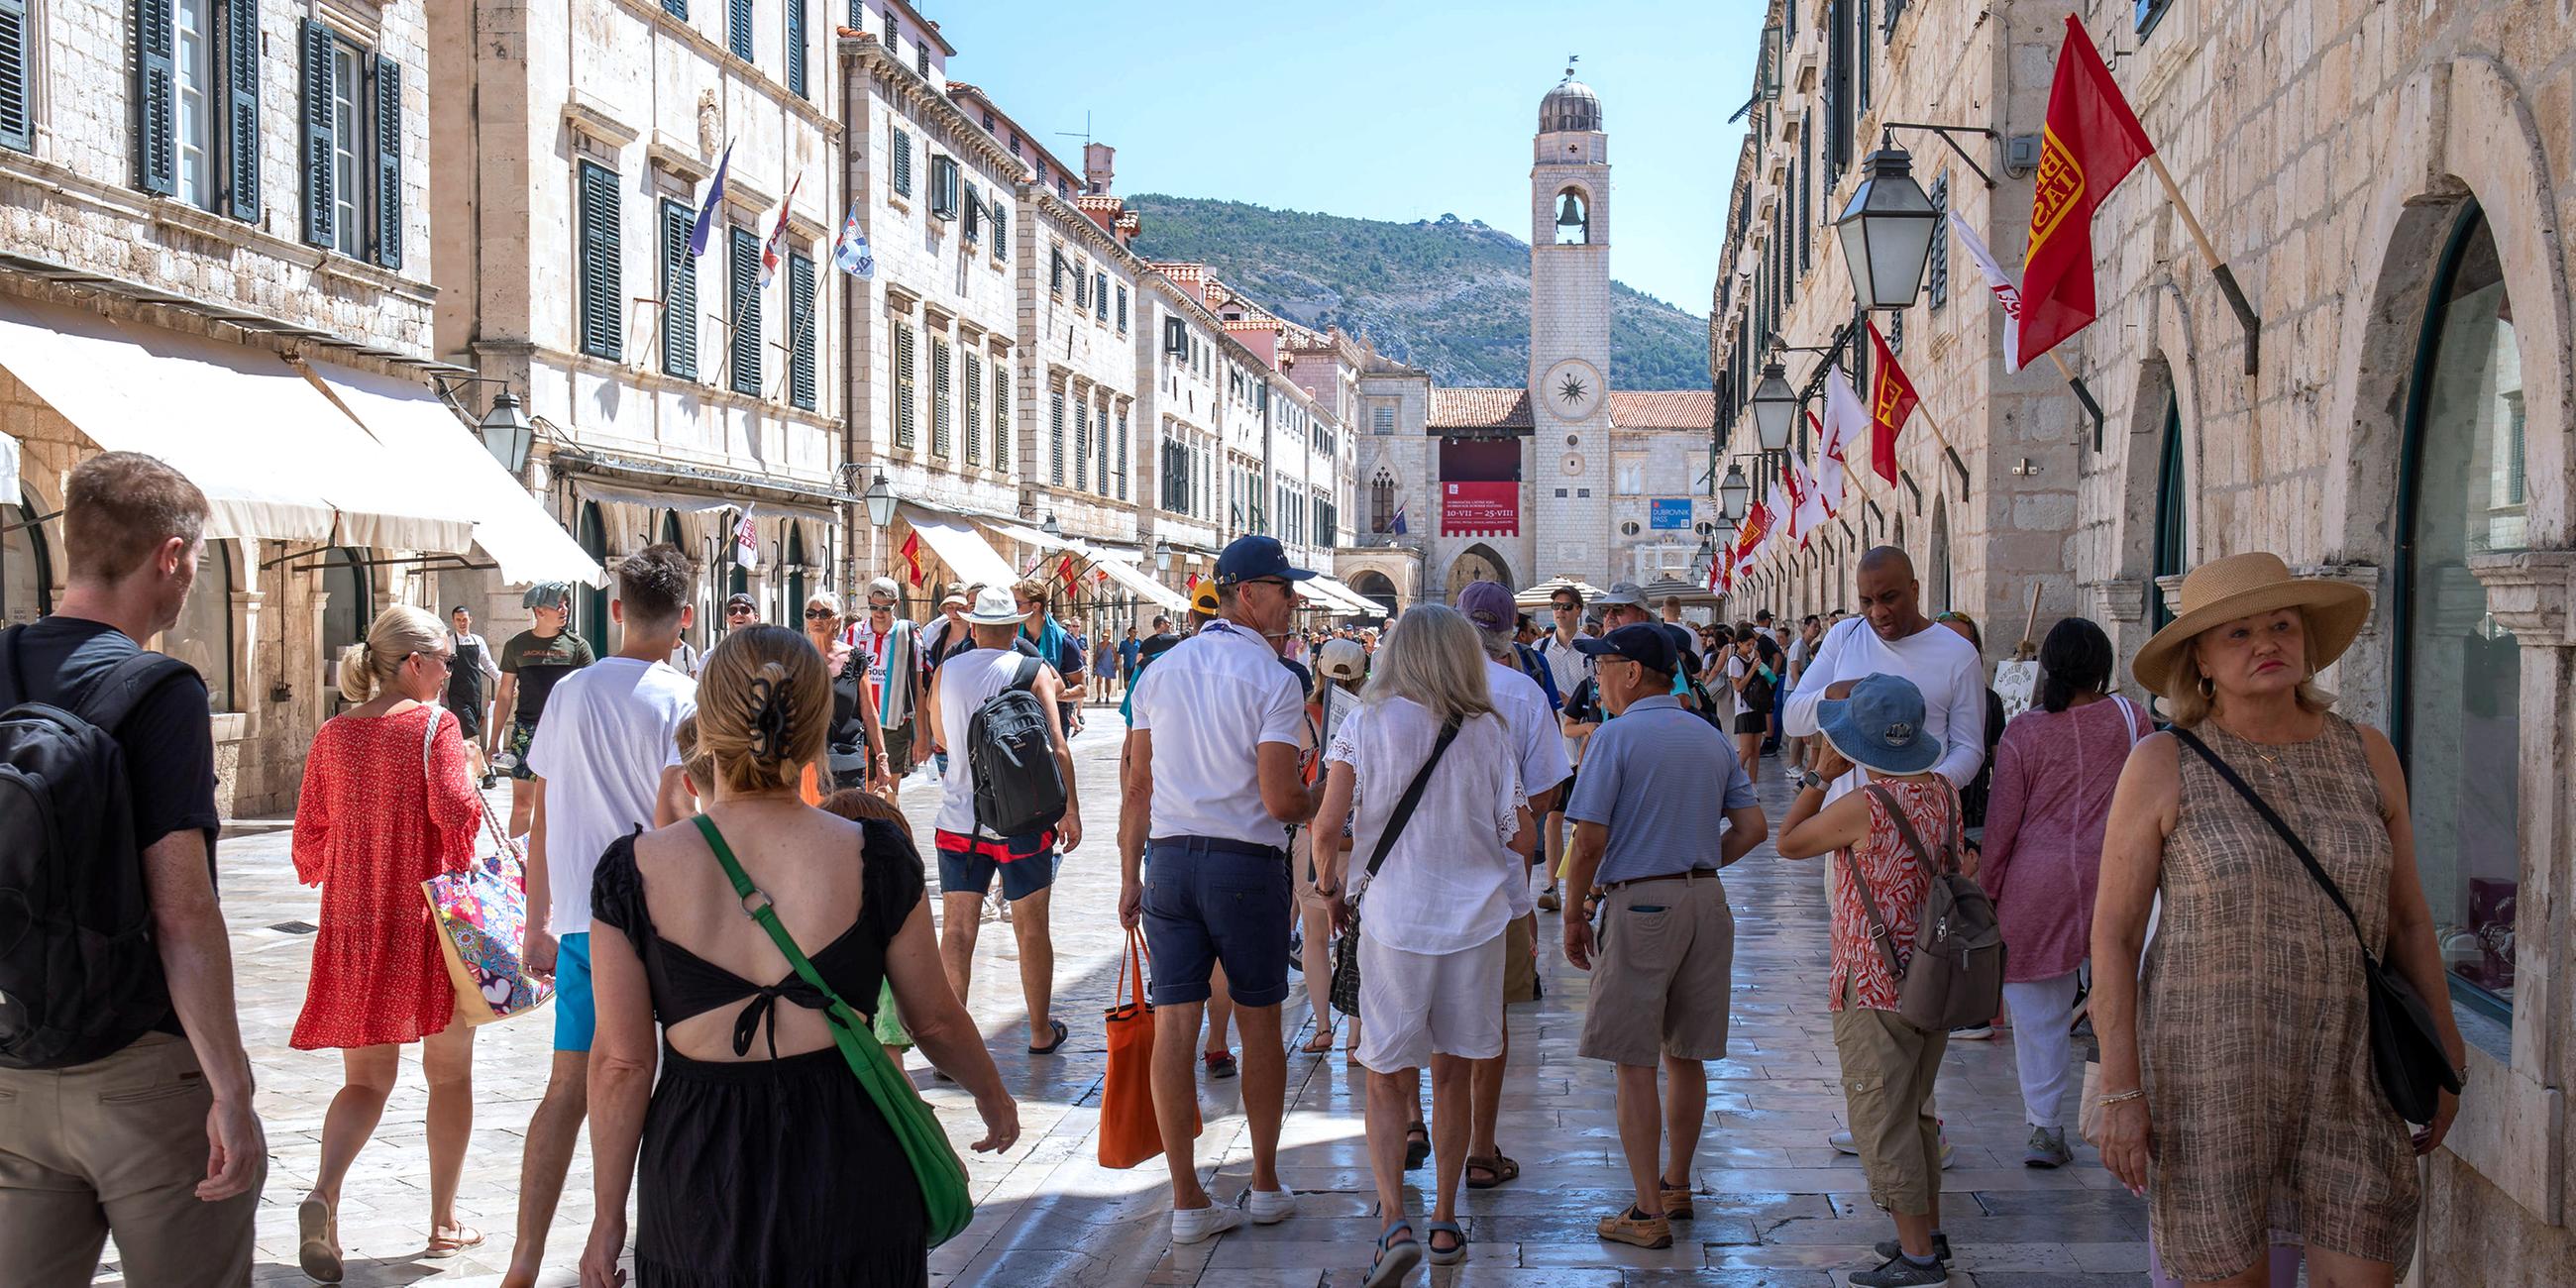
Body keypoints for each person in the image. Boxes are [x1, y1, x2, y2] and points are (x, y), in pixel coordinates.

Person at [579, 626, 1019, 1287]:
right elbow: (933, 1019)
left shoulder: (632, 871)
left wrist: (607, 1219)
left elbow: (622, 1062)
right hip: (850, 1154)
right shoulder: (876, 854)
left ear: (711, 725)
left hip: (699, 1169)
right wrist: (992, 1095)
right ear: (818, 725)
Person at [2093, 552, 2463, 1286]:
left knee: (2363, 1270)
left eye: (2281, 625)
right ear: (2198, 657)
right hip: (2211, 1079)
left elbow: (2411, 921)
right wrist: (2122, 1092)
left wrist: (2447, 1053)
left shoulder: (2366, 754)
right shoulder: (2163, 763)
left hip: (2352, 1071)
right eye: (2236, 633)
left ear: (2306, 640)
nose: (2266, 643)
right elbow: (2115, 934)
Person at [0, 453, 265, 1287]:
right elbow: (183, 909)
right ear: (173, 557)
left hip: (12, 1060)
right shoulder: (159, 690)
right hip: (140, 1069)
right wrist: (232, 1088)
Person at [1312, 605, 1534, 1282]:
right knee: (1455, 1073)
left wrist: (1329, 892)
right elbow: (1521, 834)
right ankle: (1443, 1221)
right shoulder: (1487, 731)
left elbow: (1326, 827)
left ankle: (1392, 1221)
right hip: (1474, 926)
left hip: (1395, 923)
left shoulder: (1364, 723)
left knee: (1386, 1075)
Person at [501, 545, 699, 1288]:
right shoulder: (683, 696)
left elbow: (545, 812)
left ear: (615, 610)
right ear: (685, 619)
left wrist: (537, 918)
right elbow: (678, 812)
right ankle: (629, 1232)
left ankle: (525, 1258)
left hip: (585, 921)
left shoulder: (572, 691)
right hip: (666, 922)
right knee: (669, 1084)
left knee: (567, 1089)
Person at [1118, 535, 1319, 1243]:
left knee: (1176, 1026)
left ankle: (1186, 1200)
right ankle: (1264, 1183)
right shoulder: (1276, 679)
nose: (1293, 603)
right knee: (1260, 1021)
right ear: (1250, 594)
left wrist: (1127, 874)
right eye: (1285, 589)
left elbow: (1137, 785)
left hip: (1169, 862)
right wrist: (1322, 797)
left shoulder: (1159, 673)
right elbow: (1279, 798)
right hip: (1243, 865)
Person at [290, 604, 488, 1276]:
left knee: (366, 1082)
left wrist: (336, 869)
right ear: (413, 664)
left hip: (353, 920)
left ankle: (324, 1194)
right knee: (450, 1075)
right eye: (444, 660)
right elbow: (456, 816)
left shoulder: (334, 734)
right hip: (429, 922)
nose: (450, 671)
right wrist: (466, 764)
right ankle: (442, 1220)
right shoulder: (438, 725)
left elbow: (309, 835)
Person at [1557, 623, 1767, 1249]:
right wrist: (1696, 863)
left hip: (1642, 905)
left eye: (1603, 666)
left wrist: (1573, 911)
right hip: (1706, 901)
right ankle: (1676, 1184)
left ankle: (1646, 1211)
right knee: (1687, 1055)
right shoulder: (1706, 737)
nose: (1595, 677)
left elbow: (1588, 840)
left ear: (1630, 673)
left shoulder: (1615, 739)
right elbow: (1753, 827)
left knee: (1634, 1060)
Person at [1772, 673, 1970, 1288]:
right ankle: (1926, 1233)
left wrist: (1819, 776)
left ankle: (1917, 1259)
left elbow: (1788, 843)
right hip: (1931, 978)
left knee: (1882, 1118)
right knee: (1915, 1112)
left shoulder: (1865, 805)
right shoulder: (1943, 792)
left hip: (1876, 980)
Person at [1979, 617, 2148, 1168]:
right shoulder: (2131, 719)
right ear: (2103, 666)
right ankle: (2123, 1114)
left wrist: (1988, 891)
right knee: (2128, 1002)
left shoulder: (2025, 732)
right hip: (2119, 876)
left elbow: (2002, 825)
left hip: (2037, 882)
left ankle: (2045, 1129)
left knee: (2038, 1016)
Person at [931, 588, 1084, 1054]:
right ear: (1016, 629)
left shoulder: (946, 671)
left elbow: (939, 738)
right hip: (1023, 821)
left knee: (957, 929)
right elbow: (1057, 746)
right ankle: (1040, 1030)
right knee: (1031, 927)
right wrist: (1071, 810)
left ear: (974, 628)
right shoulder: (1033, 669)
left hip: (959, 822)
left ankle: (954, 1045)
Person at [1453, 584, 1571, 1191]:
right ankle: (1478, 1148)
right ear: (1511, 635)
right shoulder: (1524, 695)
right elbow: (1550, 792)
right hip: (1500, 887)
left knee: (1427, 1014)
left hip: (1423, 888)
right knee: (1490, 1017)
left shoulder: (1417, 690)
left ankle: (1422, 1126)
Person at [1294, 638, 1366, 1055]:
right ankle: (1356, 1036)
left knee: (1316, 936)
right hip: (1361, 838)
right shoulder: (1370, 718)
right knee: (1358, 936)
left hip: (1312, 833)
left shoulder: (1301, 717)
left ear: (1319, 670)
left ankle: (1324, 1028)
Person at [492, 583, 596, 837]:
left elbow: (590, 695)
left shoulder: (578, 647)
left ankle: (552, 864)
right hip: (526, 730)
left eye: (566, 604)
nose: (565, 609)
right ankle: (517, 863)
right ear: (539, 610)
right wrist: (493, 741)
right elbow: (505, 694)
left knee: (557, 807)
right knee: (522, 806)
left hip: (566, 732)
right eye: (558, 604)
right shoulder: (516, 645)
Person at [1531, 586, 1593, 913]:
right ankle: (1553, 885)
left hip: (1586, 742)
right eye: (1556, 606)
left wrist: (1575, 704)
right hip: (1554, 740)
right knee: (1553, 816)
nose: (1560, 611)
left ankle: (1581, 886)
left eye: (1567, 606)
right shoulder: (1541, 649)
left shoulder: (1590, 651)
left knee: (1583, 820)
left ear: (1579, 610)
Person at [805, 591, 891, 796]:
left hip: (848, 757)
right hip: (807, 759)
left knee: (851, 821)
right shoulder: (796, 659)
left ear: (837, 620)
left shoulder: (855, 659)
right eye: (811, 613)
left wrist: (882, 757)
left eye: (824, 613)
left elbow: (869, 712)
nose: (817, 619)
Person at [843, 577, 928, 782]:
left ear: (896, 604)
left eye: (885, 608)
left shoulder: (909, 636)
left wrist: (923, 735)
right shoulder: (853, 634)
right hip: (860, 721)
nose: (879, 613)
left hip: (894, 723)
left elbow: (917, 686)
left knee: (889, 787)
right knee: (866, 786)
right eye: (874, 607)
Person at [1933, 610, 2006, 839]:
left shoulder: (1990, 701)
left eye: (1963, 645)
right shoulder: (1915, 698)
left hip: (1974, 823)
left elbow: (2001, 767)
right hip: (1928, 819)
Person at [1017, 581, 1087, 734]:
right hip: (1019, 717)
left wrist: (1047, 693)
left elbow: (1081, 689)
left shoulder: (1065, 641)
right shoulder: (1013, 637)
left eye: (1017, 604)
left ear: (1035, 606)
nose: (1013, 609)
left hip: (1054, 719)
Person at [447, 605, 503, 784]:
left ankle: (476, 769)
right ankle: (486, 772)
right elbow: (444, 666)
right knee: (472, 733)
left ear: (470, 620)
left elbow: (488, 665)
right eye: (458, 620)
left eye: (465, 619)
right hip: (457, 695)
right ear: (453, 621)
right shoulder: (450, 642)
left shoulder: (478, 641)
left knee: (471, 732)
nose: (462, 623)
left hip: (475, 692)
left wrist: (503, 682)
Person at [1727, 623, 1776, 782]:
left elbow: (1771, 679)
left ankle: (1753, 785)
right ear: (1739, 644)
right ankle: (1734, 781)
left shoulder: (1754, 658)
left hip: (1757, 707)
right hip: (1744, 709)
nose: (1750, 648)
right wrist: (1752, 669)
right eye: (1747, 644)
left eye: (1752, 644)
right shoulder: (1735, 661)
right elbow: (1738, 686)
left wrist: (1762, 667)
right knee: (1746, 750)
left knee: (1756, 751)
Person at [1120, 624, 1142, 693]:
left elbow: (1142, 652)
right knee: (1126, 681)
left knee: (1135, 680)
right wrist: (1118, 663)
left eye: (1136, 632)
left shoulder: (1139, 642)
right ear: (1129, 633)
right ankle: (1128, 693)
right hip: (1127, 664)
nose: (1134, 634)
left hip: (1136, 665)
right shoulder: (1124, 643)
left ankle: (1133, 693)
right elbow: (1119, 653)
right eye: (1133, 632)